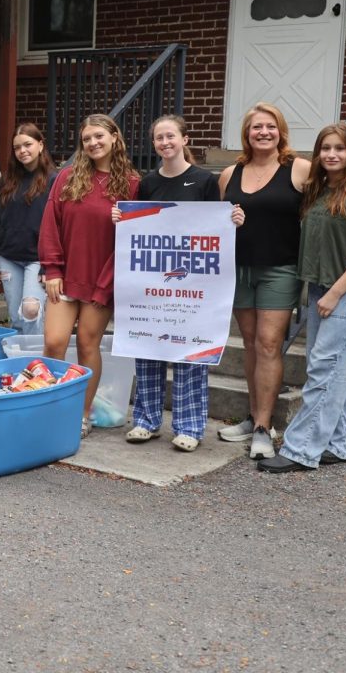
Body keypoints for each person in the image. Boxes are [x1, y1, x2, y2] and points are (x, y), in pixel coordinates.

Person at [258, 122, 346, 472]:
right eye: (325, 148)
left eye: (340, 149)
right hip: (320, 289)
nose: (332, 154)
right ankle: (343, 444)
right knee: (336, 371)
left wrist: (335, 293)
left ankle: (300, 449)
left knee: (325, 370)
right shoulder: (317, 189)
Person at [116, 116, 244, 452]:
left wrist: (233, 220)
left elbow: (215, 227)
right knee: (147, 348)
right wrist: (123, 218)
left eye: (170, 136)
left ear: (184, 139)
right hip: (153, 280)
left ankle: (189, 426)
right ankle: (146, 421)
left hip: (194, 283)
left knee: (190, 350)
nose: (165, 142)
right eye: (159, 138)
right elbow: (140, 225)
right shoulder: (147, 183)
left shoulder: (204, 180)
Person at [216, 103, 310, 459]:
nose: (264, 132)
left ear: (281, 131)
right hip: (240, 269)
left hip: (280, 269)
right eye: (257, 127)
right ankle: (255, 416)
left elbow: (335, 184)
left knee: (270, 344)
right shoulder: (229, 173)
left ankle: (262, 429)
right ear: (247, 133)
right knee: (252, 343)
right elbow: (216, 220)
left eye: (270, 127)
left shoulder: (298, 168)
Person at [40, 113, 139, 438]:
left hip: (103, 279)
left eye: (99, 136)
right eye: (87, 139)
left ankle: (82, 413)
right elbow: (50, 225)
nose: (94, 143)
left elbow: (136, 237)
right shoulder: (67, 177)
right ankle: (48, 406)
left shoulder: (132, 183)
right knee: (54, 342)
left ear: (114, 138)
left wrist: (107, 284)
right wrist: (51, 269)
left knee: (87, 344)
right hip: (66, 277)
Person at [0, 123, 54, 335]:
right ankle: (22, 363)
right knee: (16, 318)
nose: (22, 151)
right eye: (17, 147)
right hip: (8, 256)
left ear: (40, 144)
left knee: (30, 309)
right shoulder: (6, 180)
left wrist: (50, 265)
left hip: (38, 258)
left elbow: (59, 225)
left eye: (28, 144)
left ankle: (37, 362)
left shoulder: (55, 180)